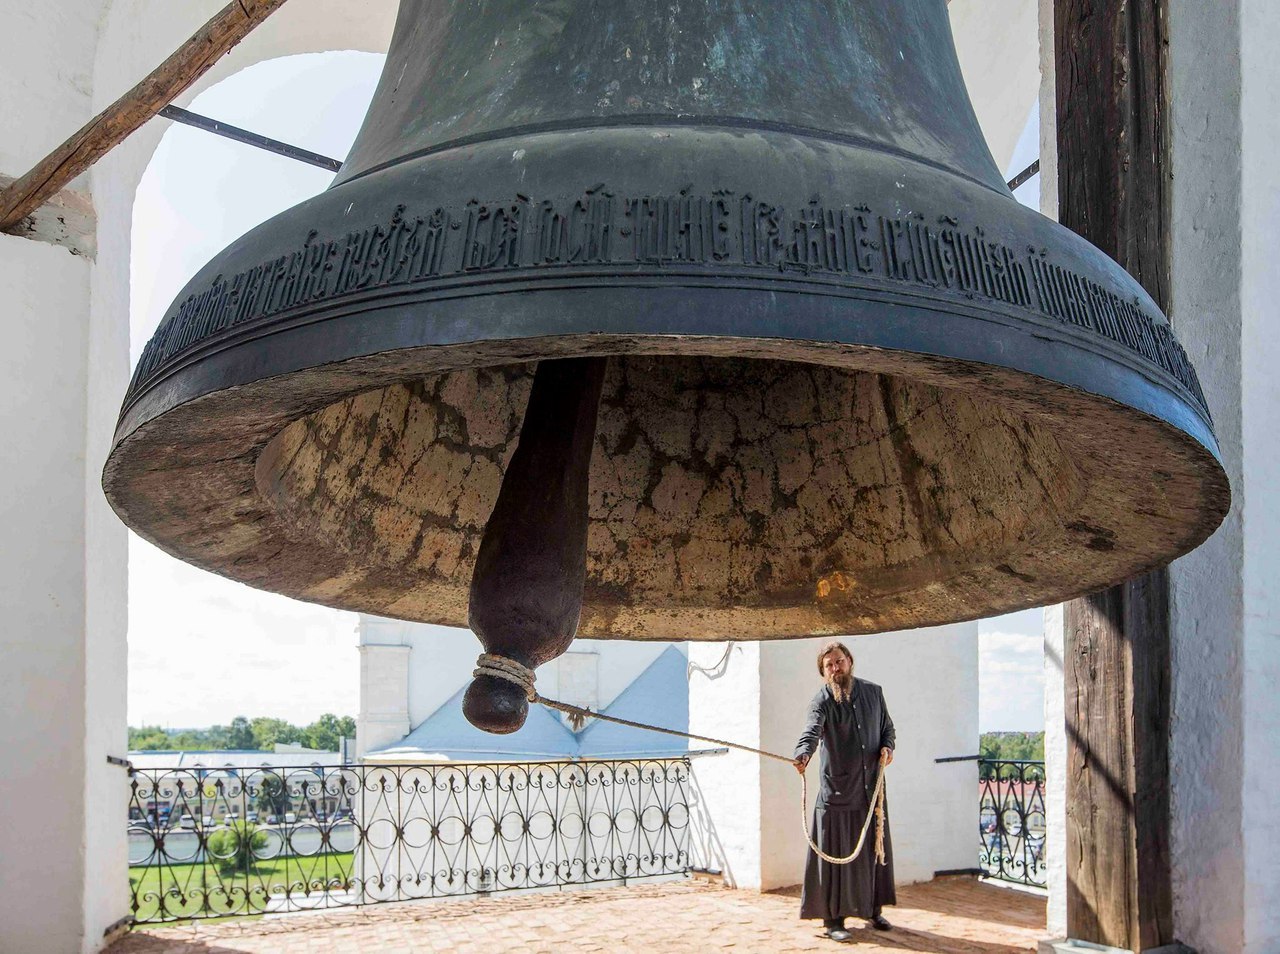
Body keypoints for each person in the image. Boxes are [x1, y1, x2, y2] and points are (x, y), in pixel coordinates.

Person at [793, 641, 896, 941]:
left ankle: (873, 910)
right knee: (834, 857)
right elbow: (812, 731)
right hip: (837, 791)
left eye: (839, 661)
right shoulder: (821, 701)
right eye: (829, 665)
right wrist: (803, 754)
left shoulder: (874, 693)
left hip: (871, 789)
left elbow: (888, 728)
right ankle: (833, 921)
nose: (835, 668)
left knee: (872, 851)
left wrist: (888, 747)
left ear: (850, 661)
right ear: (823, 671)